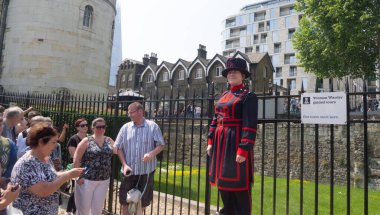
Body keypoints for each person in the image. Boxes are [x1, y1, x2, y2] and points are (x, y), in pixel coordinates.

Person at [207, 57, 258, 215]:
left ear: (243, 76)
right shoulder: (224, 95)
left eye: (236, 71)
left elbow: (250, 125)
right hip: (220, 145)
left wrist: (243, 150)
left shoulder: (248, 96)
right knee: (223, 182)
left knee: (239, 186)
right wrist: (210, 141)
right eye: (229, 72)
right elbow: (215, 119)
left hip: (235, 143)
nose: (232, 74)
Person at [10, 122, 84, 215]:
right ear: (41, 142)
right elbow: (44, 191)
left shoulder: (45, 158)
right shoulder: (28, 163)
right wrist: (68, 175)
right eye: (53, 142)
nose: (56, 145)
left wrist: (68, 172)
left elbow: (51, 175)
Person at [115, 102, 165, 215]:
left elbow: (161, 144)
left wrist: (151, 154)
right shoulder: (125, 128)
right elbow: (118, 148)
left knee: (142, 201)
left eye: (131, 112)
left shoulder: (153, 127)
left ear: (140, 112)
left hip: (146, 172)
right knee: (125, 200)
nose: (129, 115)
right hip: (128, 171)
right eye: (129, 112)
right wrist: (124, 164)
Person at [73, 118, 116, 215]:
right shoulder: (86, 141)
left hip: (103, 180)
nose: (101, 129)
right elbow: (76, 158)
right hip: (87, 179)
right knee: (83, 209)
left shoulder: (109, 140)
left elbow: (118, 151)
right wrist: (78, 176)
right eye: (98, 127)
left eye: (103, 127)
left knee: (97, 210)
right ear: (93, 128)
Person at [66, 118, 88, 214]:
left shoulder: (89, 138)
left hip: (88, 167)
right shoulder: (73, 139)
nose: (85, 127)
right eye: (82, 125)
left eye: (86, 125)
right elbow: (73, 155)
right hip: (77, 166)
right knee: (76, 190)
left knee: (84, 191)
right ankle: (70, 210)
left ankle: (77, 210)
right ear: (77, 128)